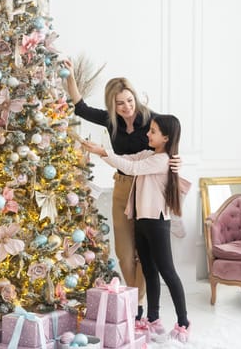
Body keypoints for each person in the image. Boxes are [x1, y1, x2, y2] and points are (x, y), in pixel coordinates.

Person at [63, 59, 181, 322]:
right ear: (112, 105)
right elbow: (80, 107)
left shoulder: (150, 118)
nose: (127, 107)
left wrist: (176, 160)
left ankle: (139, 307)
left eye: (129, 100)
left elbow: (170, 136)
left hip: (147, 191)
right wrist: (70, 76)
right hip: (122, 187)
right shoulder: (110, 121)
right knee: (125, 254)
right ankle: (136, 299)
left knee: (146, 256)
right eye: (120, 103)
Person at [81, 114, 191, 343]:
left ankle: (183, 323)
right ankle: (153, 319)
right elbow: (126, 161)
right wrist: (101, 150)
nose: (148, 134)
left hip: (157, 222)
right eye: (149, 129)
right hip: (142, 220)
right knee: (149, 271)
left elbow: (132, 168)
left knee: (167, 272)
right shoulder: (150, 154)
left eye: (153, 131)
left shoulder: (161, 160)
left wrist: (103, 152)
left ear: (166, 137)